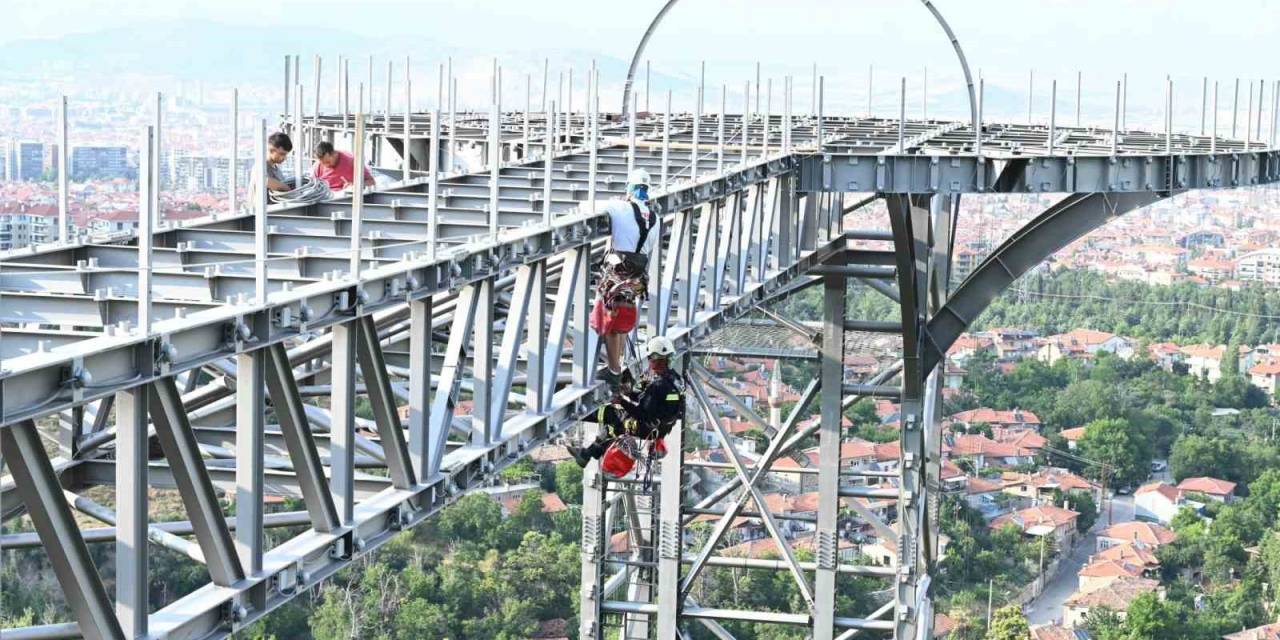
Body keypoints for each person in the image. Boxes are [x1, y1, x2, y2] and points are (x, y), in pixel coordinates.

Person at [567, 336, 684, 469]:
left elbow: (642, 413)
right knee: (615, 425)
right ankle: (586, 455)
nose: (649, 362)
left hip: (646, 427)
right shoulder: (676, 380)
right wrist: (630, 394)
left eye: (650, 358)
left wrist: (621, 401)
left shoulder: (658, 385)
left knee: (609, 415)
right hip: (660, 428)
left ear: (657, 359)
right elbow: (655, 403)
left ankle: (574, 411)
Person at [591, 168, 659, 388]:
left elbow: (589, 208)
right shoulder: (655, 218)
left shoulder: (620, 208)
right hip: (638, 272)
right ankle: (616, 365)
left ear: (629, 188)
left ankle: (614, 370)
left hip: (618, 271)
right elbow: (650, 247)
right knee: (620, 323)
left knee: (611, 322)